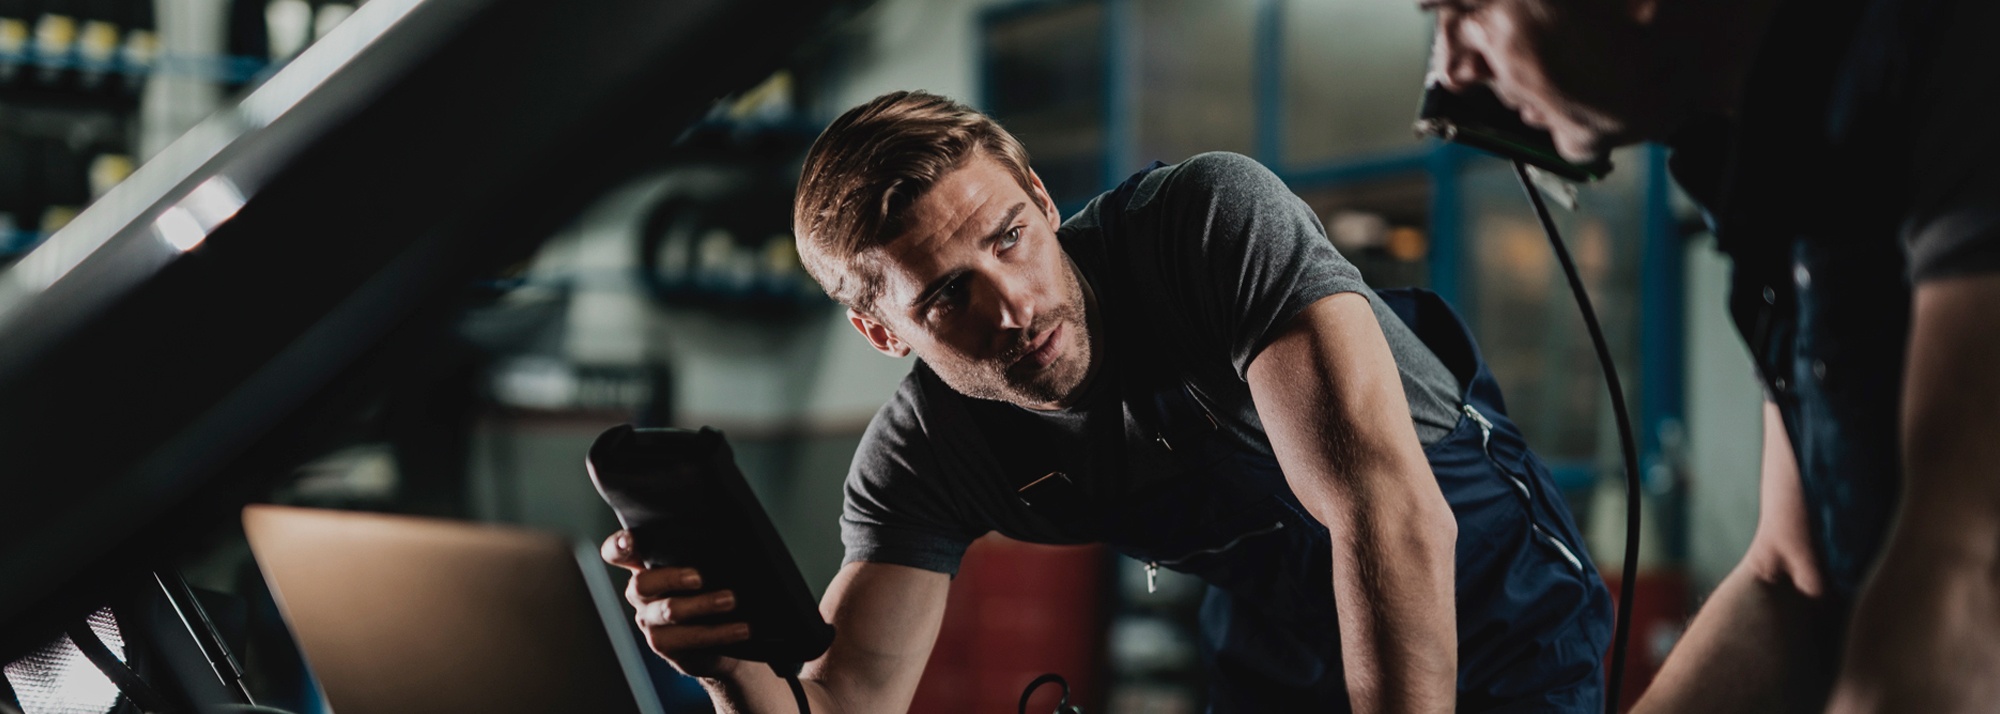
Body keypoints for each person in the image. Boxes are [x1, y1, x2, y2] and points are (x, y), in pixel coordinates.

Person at [602, 91, 1611, 712]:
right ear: (882, 332)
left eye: (1007, 237)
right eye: (947, 293)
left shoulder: (1204, 227)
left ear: (1042, 199)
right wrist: (726, 665)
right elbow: (843, 702)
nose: (1013, 306)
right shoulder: (927, 452)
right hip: (1280, 657)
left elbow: (1384, 518)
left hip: (1496, 614)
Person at [1423, 0, 2000, 710]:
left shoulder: (1951, 44)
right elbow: (1790, 576)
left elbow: (1971, 559)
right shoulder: (1771, 160)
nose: (1449, 70)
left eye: (1465, 9)